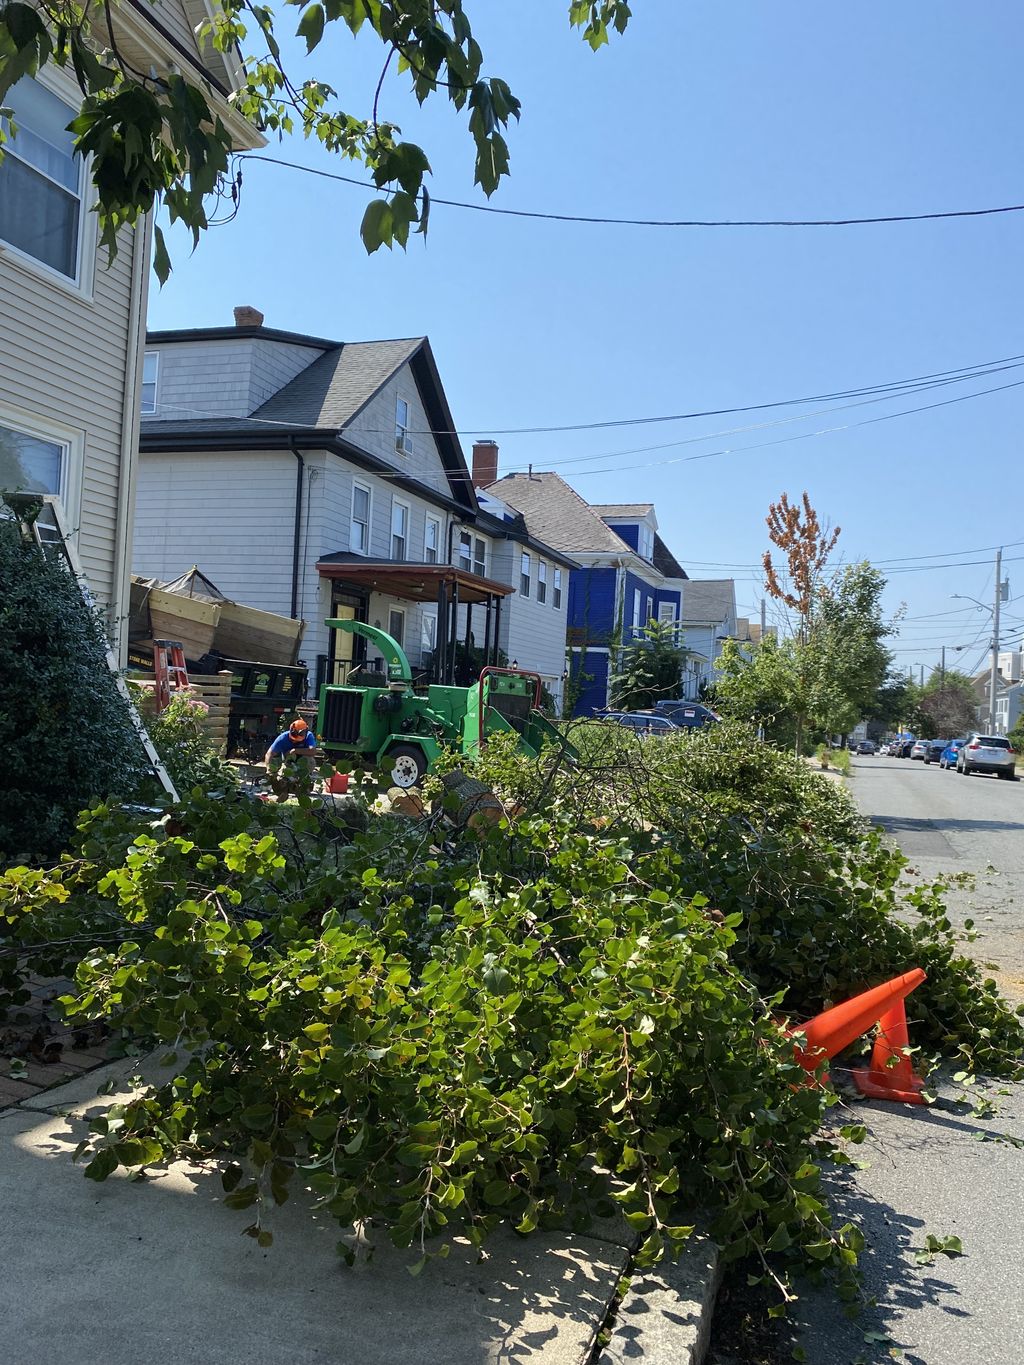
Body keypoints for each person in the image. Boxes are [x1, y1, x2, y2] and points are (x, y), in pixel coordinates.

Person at [264, 718, 317, 795]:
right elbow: (269, 754)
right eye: (293, 740)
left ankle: (304, 782)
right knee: (280, 783)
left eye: (297, 740)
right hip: (288, 763)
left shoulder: (309, 736)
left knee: (310, 760)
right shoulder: (283, 738)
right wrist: (269, 769)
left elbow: (313, 751)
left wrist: (296, 750)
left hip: (303, 764)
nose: (294, 741)